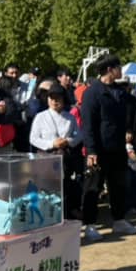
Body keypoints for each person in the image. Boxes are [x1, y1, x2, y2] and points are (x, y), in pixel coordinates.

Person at [80, 53, 136, 241]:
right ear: (109, 69)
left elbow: (128, 115)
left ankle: (119, 220)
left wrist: (128, 131)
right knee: (93, 186)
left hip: (117, 147)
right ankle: (89, 224)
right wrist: (91, 151)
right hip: (99, 149)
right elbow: (88, 125)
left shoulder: (120, 92)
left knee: (119, 185)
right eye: (118, 67)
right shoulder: (92, 93)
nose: (121, 70)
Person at [30, 84, 83, 219]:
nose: (54, 101)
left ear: (63, 100)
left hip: (65, 157)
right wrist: (51, 143)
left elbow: (79, 135)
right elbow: (33, 139)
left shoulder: (70, 117)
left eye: (58, 98)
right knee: (46, 188)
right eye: (51, 98)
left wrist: (68, 141)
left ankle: (65, 214)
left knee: (65, 186)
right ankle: (47, 215)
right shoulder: (40, 116)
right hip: (46, 157)